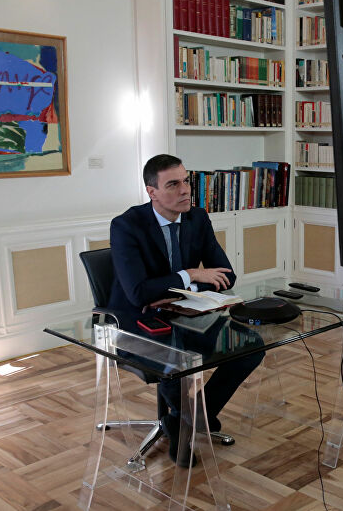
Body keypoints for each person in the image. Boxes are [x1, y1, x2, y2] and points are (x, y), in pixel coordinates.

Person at [108, 153, 263, 466]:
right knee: (175, 360)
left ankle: (185, 420)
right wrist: (191, 274)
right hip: (137, 323)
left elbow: (226, 276)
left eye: (186, 181)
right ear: (152, 192)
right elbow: (138, 293)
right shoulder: (127, 225)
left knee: (251, 347)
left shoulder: (197, 218)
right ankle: (188, 422)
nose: (185, 190)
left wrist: (178, 290)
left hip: (186, 315)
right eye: (173, 184)